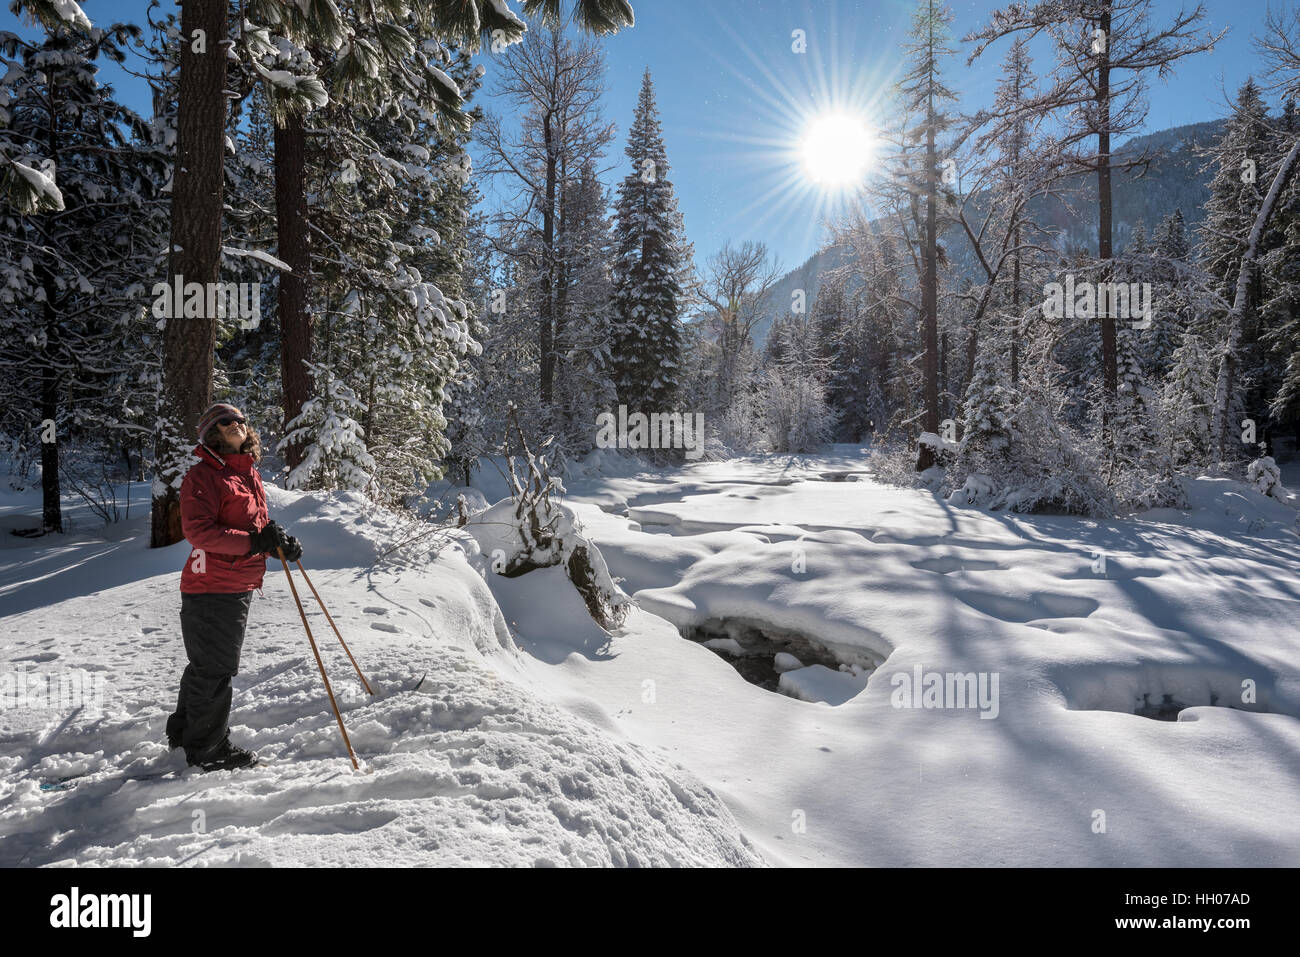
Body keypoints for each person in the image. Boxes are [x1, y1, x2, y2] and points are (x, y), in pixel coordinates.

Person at [165, 402, 303, 772]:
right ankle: (208, 749)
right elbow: (199, 532)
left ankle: (183, 731)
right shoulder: (203, 476)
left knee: (206, 664)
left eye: (240, 419)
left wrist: (275, 543)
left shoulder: (245, 474)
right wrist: (254, 543)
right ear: (212, 432)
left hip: (235, 581)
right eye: (225, 422)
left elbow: (252, 527)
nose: (236, 424)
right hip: (212, 584)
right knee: (215, 668)